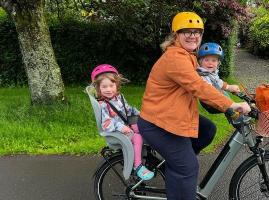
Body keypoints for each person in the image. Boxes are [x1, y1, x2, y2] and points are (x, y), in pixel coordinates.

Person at [137, 12, 251, 200]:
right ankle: (180, 172)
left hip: (172, 116)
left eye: (197, 31)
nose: (192, 35)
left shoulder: (188, 55)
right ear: (176, 35)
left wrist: (230, 89)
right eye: (186, 31)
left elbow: (205, 81)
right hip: (159, 123)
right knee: (188, 167)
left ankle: (174, 166)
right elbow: (198, 87)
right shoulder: (175, 58)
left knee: (207, 130)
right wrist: (231, 105)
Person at [91, 64, 154, 181]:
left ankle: (155, 153)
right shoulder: (103, 104)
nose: (109, 89)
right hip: (117, 132)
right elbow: (106, 124)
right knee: (137, 138)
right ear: (98, 88)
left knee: (147, 127)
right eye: (104, 87)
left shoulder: (119, 97)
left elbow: (129, 110)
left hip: (127, 125)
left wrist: (143, 115)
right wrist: (121, 127)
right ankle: (138, 166)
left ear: (117, 85)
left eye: (111, 85)